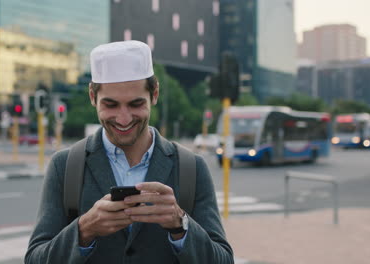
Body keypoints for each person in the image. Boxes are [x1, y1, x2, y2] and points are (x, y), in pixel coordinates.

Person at [25, 40, 234, 263]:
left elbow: (223, 259)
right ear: (92, 97)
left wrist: (180, 223)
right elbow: (35, 259)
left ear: (154, 94)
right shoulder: (65, 166)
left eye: (135, 104)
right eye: (111, 105)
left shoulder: (192, 168)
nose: (123, 119)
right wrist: (84, 230)